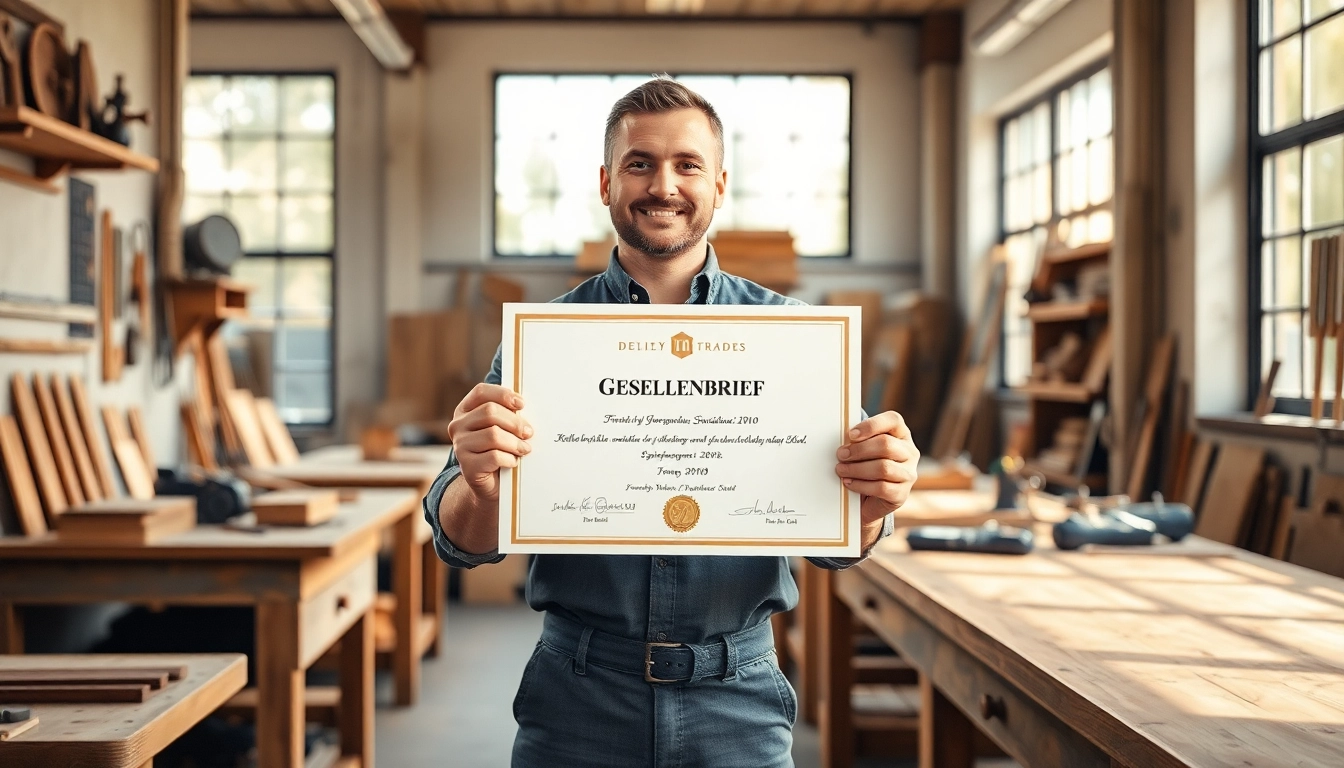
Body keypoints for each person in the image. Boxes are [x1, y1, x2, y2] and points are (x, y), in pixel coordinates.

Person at [424, 77, 919, 767]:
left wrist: (876, 495)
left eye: (687, 165)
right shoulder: (549, 338)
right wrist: (476, 485)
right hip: (578, 699)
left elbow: (840, 543)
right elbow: (464, 543)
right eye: (639, 164)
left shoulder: (793, 339)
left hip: (736, 702)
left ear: (719, 183)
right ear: (606, 183)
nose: (664, 185)